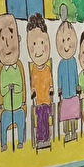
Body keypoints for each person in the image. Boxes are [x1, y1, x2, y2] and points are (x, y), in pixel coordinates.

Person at [0, 13, 26, 151]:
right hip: (6, 108)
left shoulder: (18, 67)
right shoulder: (2, 70)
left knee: (20, 118)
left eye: (11, 37)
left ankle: (20, 141)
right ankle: (3, 143)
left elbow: (21, 87)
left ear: (18, 39)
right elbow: (1, 90)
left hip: (18, 107)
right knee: (4, 122)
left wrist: (15, 87)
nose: (7, 44)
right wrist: (8, 88)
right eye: (2, 39)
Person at [26, 13, 54, 149]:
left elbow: (51, 84)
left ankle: (46, 139)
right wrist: (32, 91)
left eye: (42, 43)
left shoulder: (47, 69)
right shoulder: (34, 70)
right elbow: (32, 85)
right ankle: (40, 139)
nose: (39, 49)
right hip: (38, 103)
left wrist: (51, 89)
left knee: (45, 116)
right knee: (40, 115)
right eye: (34, 44)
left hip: (47, 102)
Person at [56, 18, 79, 142]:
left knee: (73, 113)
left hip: (73, 93)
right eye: (63, 41)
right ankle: (66, 133)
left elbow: (75, 75)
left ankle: (74, 131)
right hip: (65, 94)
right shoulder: (61, 64)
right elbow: (59, 77)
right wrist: (59, 87)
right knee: (65, 114)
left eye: (68, 39)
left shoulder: (73, 61)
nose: (66, 45)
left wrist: (77, 85)